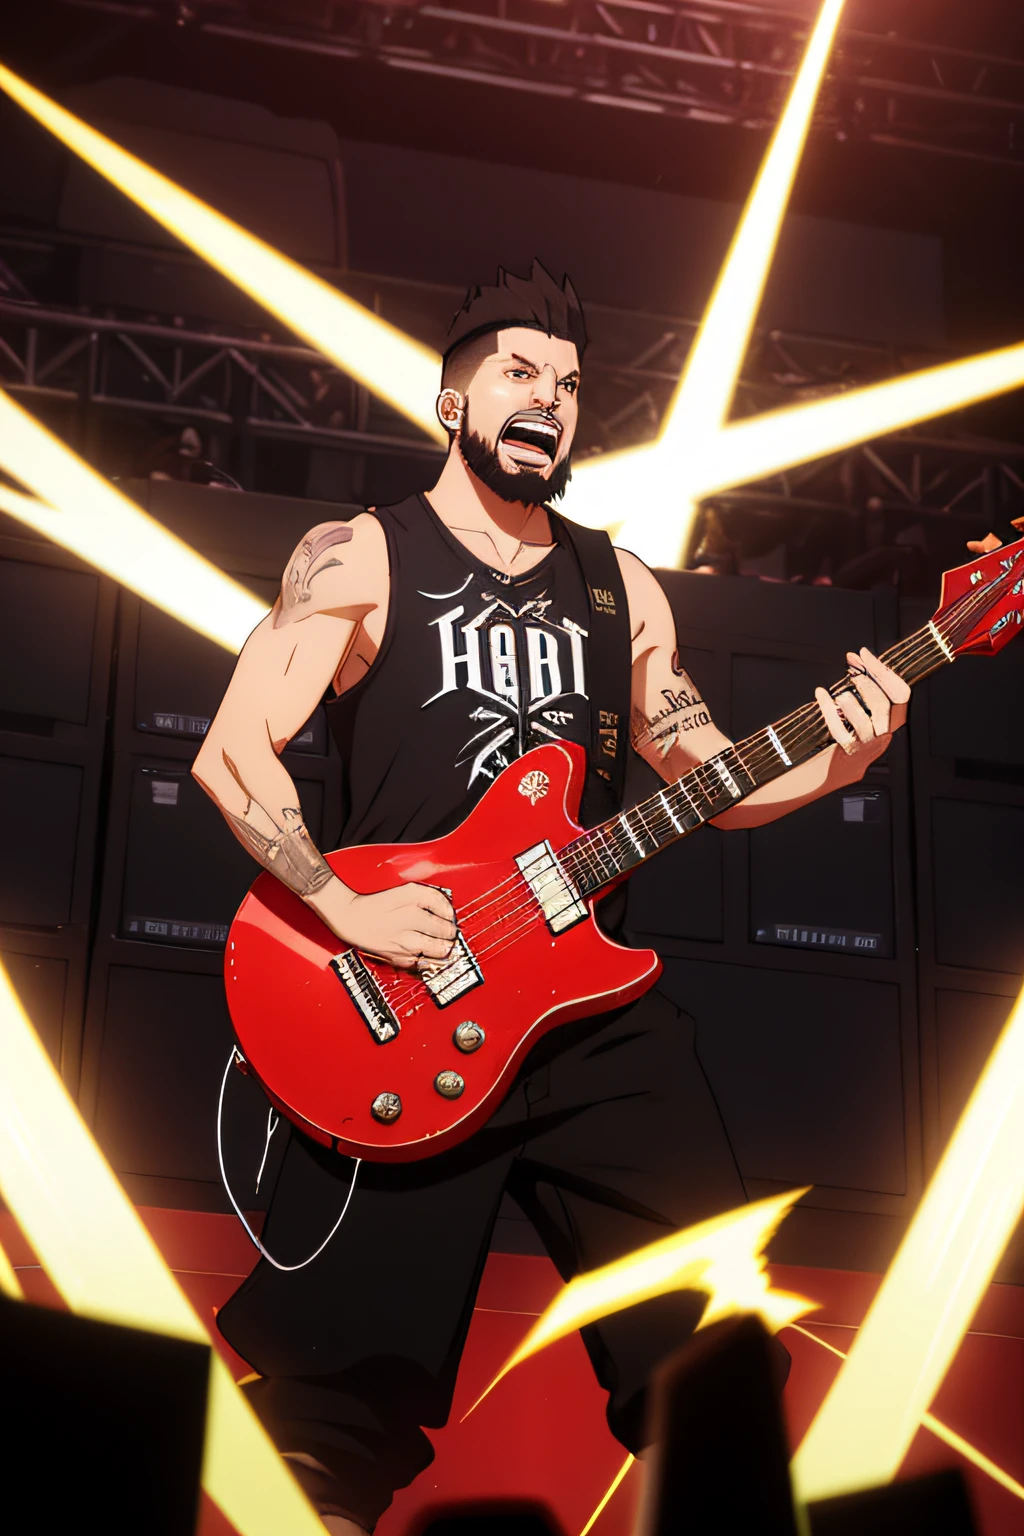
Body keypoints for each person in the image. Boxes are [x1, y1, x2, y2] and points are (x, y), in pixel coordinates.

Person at [193, 261, 910, 1534]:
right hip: (399, 1005)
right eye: (519, 372)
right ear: (452, 400)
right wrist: (343, 910)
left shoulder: (615, 584)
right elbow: (233, 753)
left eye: (570, 383)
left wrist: (839, 754)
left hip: (591, 1021)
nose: (551, 399)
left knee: (713, 1369)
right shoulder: (362, 554)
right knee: (329, 1404)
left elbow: (711, 777)